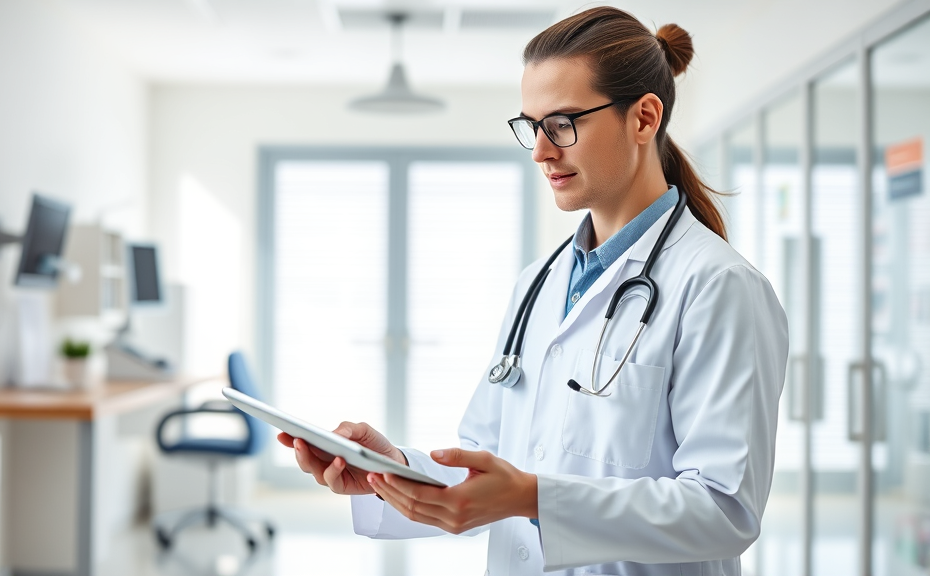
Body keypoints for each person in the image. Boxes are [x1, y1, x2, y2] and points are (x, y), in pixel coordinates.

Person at [277, 6, 789, 576]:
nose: (542, 151)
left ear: (644, 119)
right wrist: (388, 469)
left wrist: (533, 498)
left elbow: (724, 510)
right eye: (531, 126)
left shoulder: (720, 288)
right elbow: (493, 472)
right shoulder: (537, 285)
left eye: (564, 123)